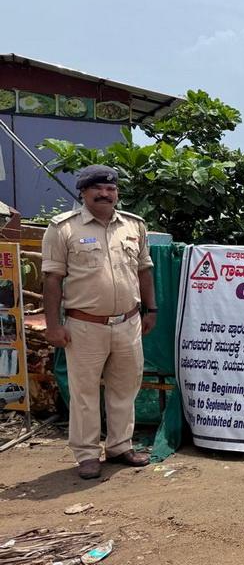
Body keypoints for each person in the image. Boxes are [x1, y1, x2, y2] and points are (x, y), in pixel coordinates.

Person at [42, 165, 159, 479]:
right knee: (84, 393)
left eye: (111, 189)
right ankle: (87, 454)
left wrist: (152, 310)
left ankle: (120, 446)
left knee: (125, 388)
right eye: (97, 189)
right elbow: (52, 279)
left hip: (129, 323)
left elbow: (144, 270)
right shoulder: (63, 228)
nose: (105, 194)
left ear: (116, 192)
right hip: (84, 326)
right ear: (83, 192)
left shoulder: (134, 226)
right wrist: (53, 325)